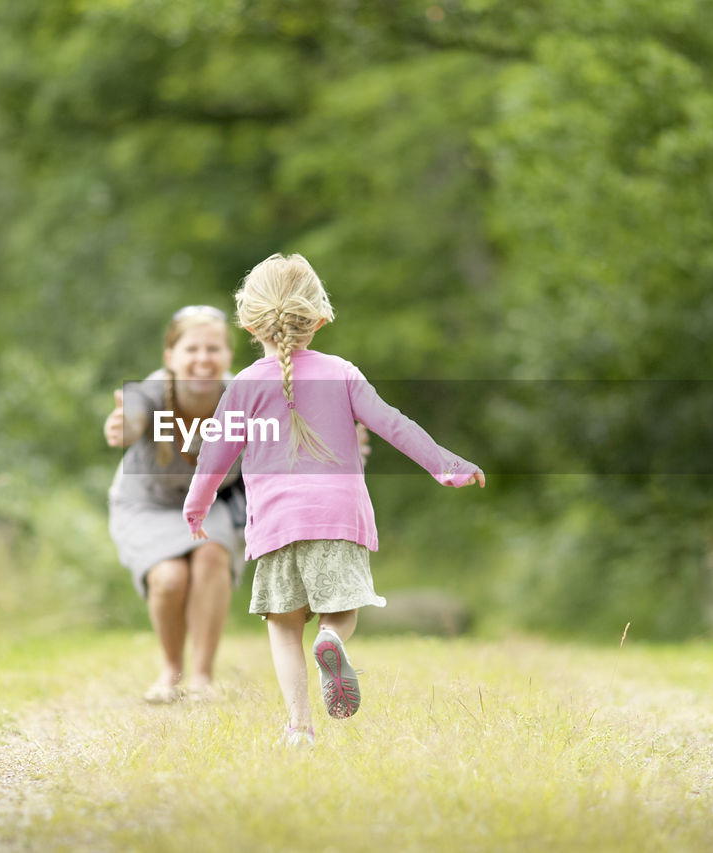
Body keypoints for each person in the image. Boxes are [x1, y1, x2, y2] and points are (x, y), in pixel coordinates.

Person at [183, 253, 484, 746]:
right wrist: (446, 465)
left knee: (283, 626)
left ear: (246, 321)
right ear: (319, 318)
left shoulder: (241, 386)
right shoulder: (341, 371)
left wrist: (197, 506)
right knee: (341, 608)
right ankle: (332, 640)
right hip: (338, 518)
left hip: (277, 524)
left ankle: (299, 727)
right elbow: (393, 424)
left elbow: (215, 455)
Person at [105, 305, 244, 703]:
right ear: (170, 357)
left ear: (228, 355)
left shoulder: (243, 396)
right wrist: (120, 427)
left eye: (213, 349)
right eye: (192, 349)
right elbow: (129, 417)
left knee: (211, 559)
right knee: (169, 580)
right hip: (147, 504)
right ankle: (171, 671)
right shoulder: (150, 390)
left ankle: (201, 678)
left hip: (211, 504)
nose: (203, 359)